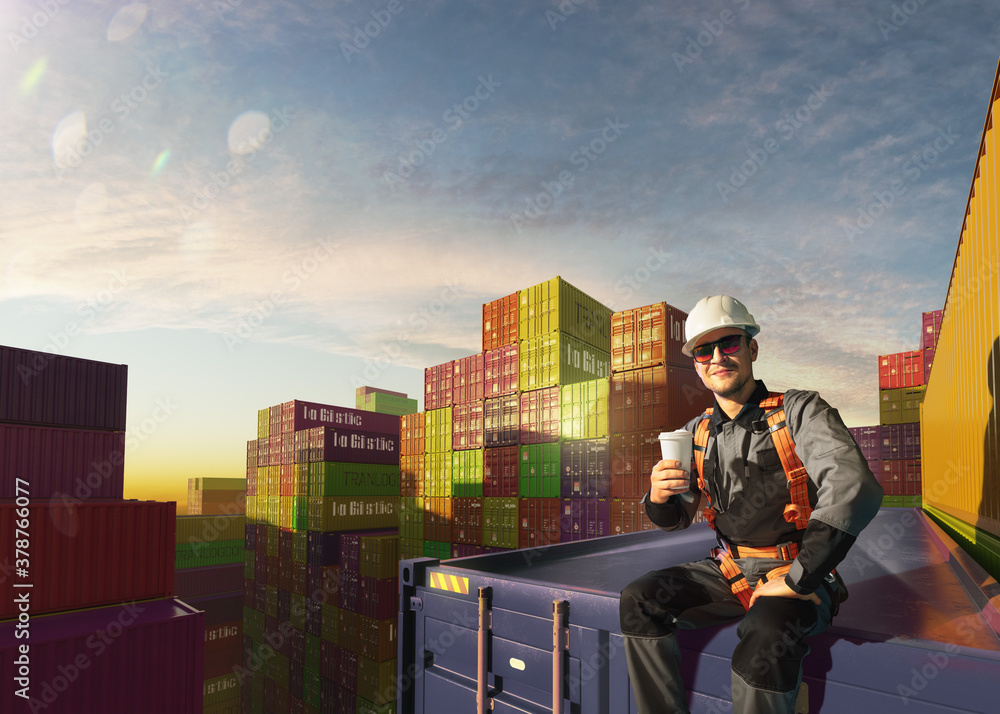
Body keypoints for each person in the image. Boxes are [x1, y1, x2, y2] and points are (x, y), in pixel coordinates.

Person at [619, 295, 883, 714]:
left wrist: (800, 578)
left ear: (752, 348)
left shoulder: (800, 411)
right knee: (638, 599)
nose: (717, 357)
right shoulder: (696, 433)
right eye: (704, 350)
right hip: (729, 570)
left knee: (766, 633)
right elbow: (676, 519)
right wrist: (657, 495)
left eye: (729, 344)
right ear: (697, 364)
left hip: (798, 571)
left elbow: (855, 486)